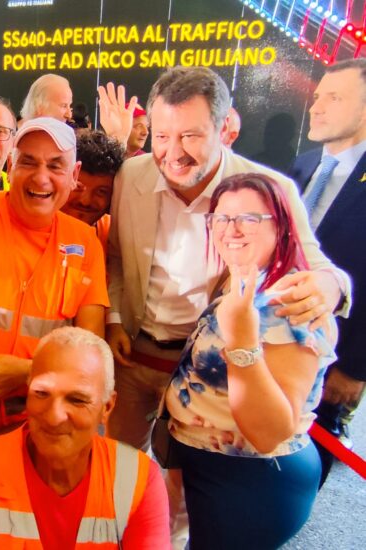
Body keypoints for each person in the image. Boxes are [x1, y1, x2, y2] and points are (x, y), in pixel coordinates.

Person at [100, 66, 350, 451]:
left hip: (209, 367)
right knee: (121, 460)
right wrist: (115, 318)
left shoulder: (270, 188)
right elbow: (116, 255)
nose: (173, 153)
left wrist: (330, 287)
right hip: (135, 356)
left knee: (185, 474)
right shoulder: (131, 175)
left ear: (225, 129)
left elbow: (319, 268)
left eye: (191, 136)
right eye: (162, 136)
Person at [166, 172, 336, 549]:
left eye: (249, 218)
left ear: (282, 226)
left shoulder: (289, 304)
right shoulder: (244, 279)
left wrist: (242, 340)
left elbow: (269, 431)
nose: (232, 229)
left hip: (250, 478)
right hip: (213, 466)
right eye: (222, 218)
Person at [0, 117, 109, 432]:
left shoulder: (85, 243)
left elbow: (91, 353)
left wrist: (27, 372)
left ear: (74, 175)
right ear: (11, 166)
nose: (41, 178)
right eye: (28, 162)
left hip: (34, 421)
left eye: (55, 166)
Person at [0, 326, 169, 549]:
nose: (54, 417)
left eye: (77, 400)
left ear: (106, 407)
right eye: (41, 393)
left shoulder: (138, 481)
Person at [288, 58, 366, 479]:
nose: (316, 107)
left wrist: (356, 367)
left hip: (336, 358)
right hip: (276, 342)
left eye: (334, 98)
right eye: (318, 96)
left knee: (307, 466)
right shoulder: (302, 166)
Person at [60, 129, 124, 256]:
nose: (85, 201)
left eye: (101, 192)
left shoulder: (114, 235)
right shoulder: (35, 229)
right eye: (77, 187)